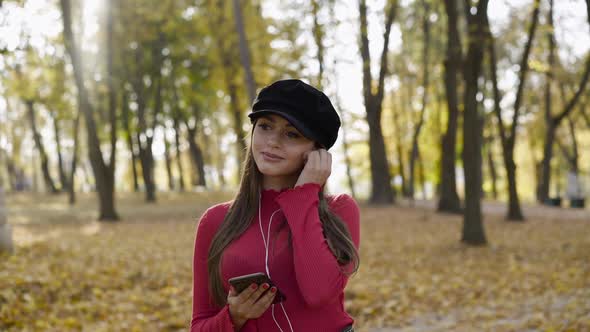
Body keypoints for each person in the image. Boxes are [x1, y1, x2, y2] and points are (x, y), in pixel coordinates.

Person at [190, 79, 360, 332]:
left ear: (317, 152)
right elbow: (200, 326)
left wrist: (305, 194)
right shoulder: (215, 221)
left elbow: (319, 293)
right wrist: (233, 317)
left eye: (292, 134)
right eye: (265, 126)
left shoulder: (339, 211)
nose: (273, 141)